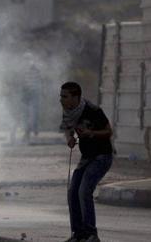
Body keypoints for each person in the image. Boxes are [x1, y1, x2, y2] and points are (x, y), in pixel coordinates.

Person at [60, 82, 113, 242]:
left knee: (84, 191)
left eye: (65, 96)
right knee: (72, 192)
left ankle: (91, 234)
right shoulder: (68, 111)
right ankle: (78, 234)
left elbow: (109, 131)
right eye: (60, 96)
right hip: (87, 158)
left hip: (101, 156)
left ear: (76, 97)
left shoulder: (93, 110)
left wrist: (91, 133)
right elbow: (68, 129)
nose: (61, 100)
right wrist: (70, 139)